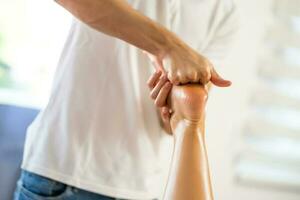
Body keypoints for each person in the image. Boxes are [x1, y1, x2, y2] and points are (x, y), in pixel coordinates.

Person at [14, 0, 238, 199]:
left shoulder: (225, 13)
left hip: (136, 185)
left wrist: (176, 106)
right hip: (61, 172)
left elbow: (171, 125)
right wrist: (168, 48)